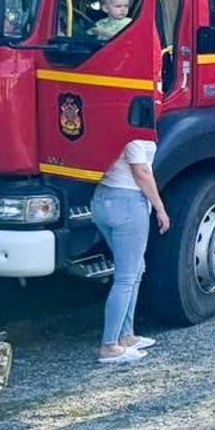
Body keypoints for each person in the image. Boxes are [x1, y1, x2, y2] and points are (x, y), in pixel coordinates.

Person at [92, 139, 170, 365]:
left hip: (102, 198)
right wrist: (160, 208)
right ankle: (109, 346)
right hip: (127, 202)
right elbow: (142, 172)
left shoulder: (111, 128)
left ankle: (126, 334)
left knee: (136, 268)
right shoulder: (135, 135)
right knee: (126, 277)